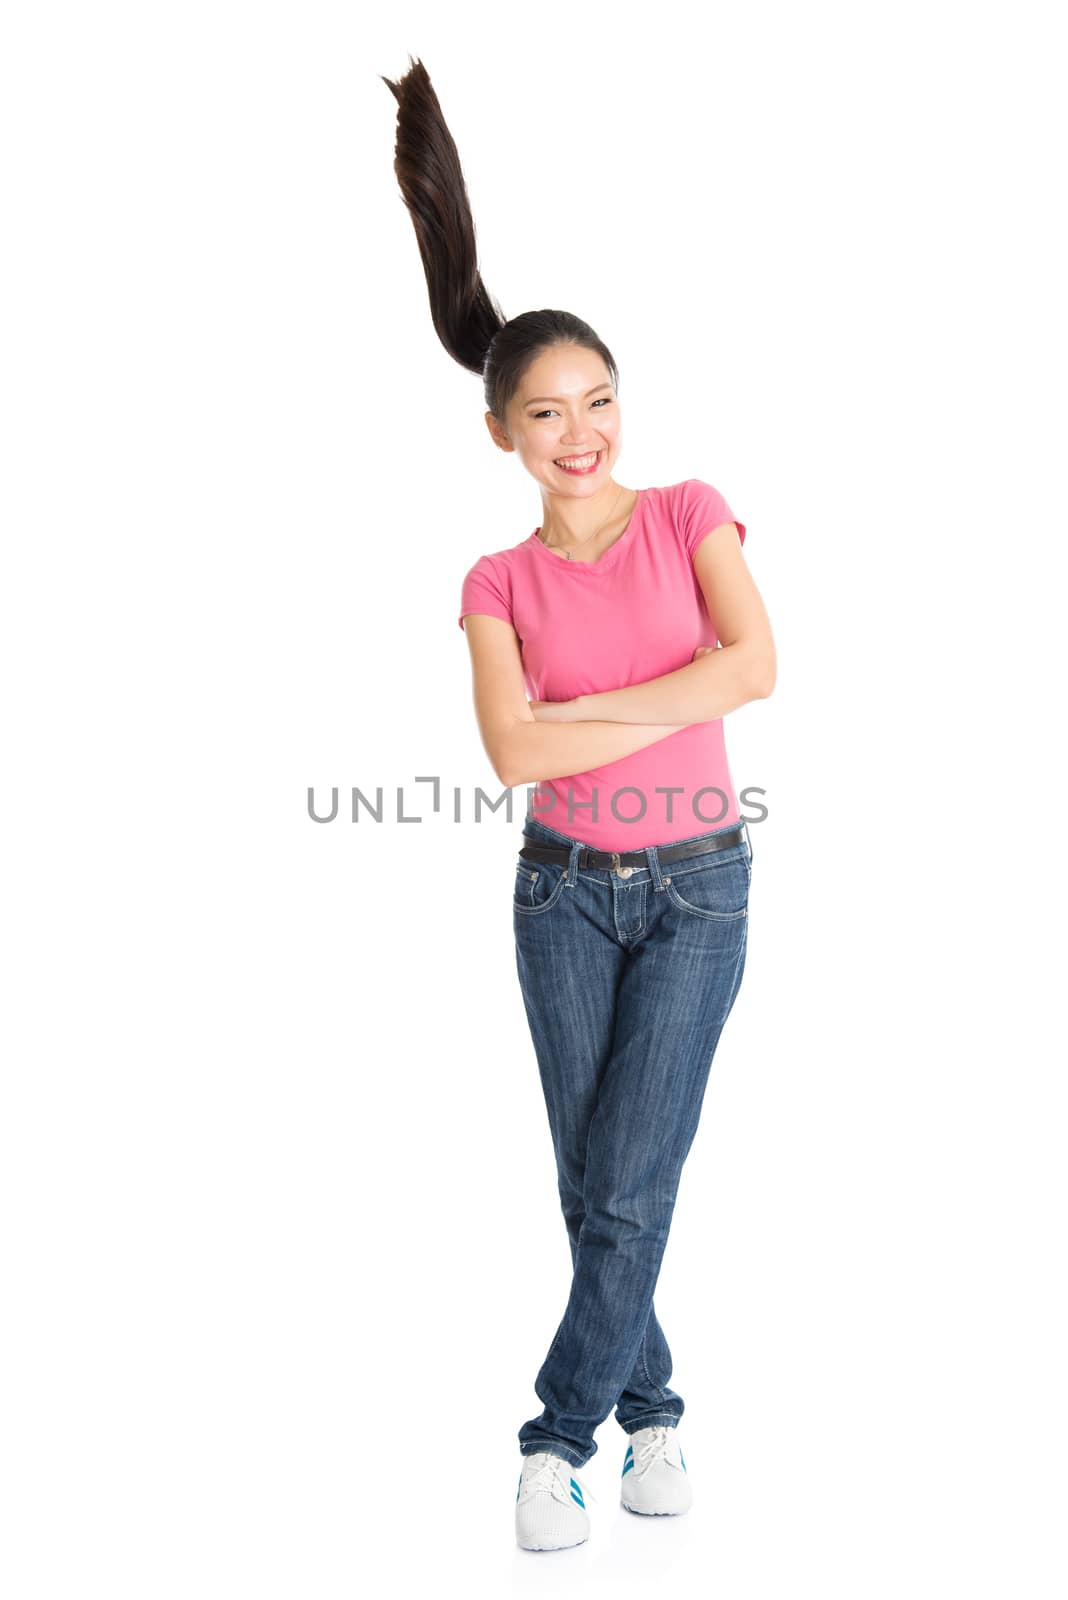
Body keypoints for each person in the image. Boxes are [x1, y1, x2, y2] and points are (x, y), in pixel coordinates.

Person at [382, 55, 777, 1553]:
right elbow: (508, 757)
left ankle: (558, 1439)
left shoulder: (690, 513)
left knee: (625, 1178)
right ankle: (660, 1409)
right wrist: (644, 704)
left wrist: (580, 718)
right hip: (560, 894)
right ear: (505, 435)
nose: (581, 432)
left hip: (696, 893)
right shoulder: (494, 581)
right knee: (596, 1180)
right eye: (546, 414)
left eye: (599, 399)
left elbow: (759, 664)